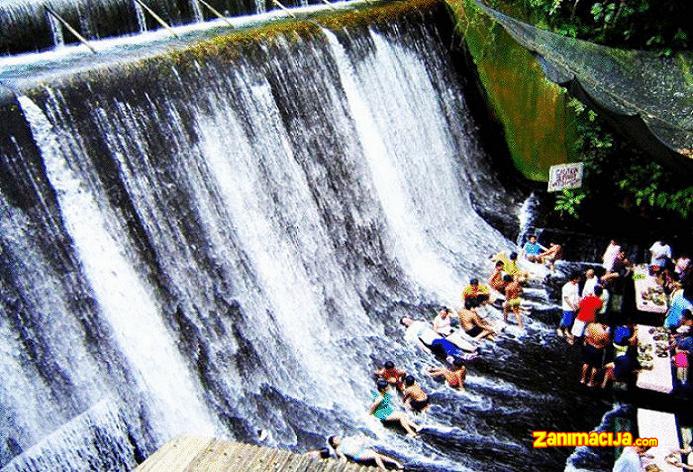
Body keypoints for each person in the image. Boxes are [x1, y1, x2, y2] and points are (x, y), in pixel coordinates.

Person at [400, 317, 477, 360]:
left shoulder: (418, 322)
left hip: (436, 337)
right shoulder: (410, 331)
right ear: (405, 324)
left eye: (407, 319)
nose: (408, 321)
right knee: (443, 342)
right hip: (431, 341)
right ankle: (461, 355)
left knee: (449, 340)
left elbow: (432, 328)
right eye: (406, 322)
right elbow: (417, 341)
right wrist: (426, 349)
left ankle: (466, 351)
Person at [328, 435, 404, 471]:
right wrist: (342, 463)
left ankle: (396, 463)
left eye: (337, 437)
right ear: (334, 444)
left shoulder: (346, 440)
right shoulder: (338, 449)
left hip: (363, 450)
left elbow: (356, 443)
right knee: (376, 456)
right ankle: (384, 469)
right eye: (335, 440)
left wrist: (361, 439)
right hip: (358, 455)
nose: (338, 439)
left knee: (379, 455)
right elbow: (343, 458)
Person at [580, 314, 610, 387]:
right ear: (605, 324)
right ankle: (591, 382)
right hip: (597, 349)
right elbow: (607, 343)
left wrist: (587, 341)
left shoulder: (591, 325)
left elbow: (586, 335)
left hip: (588, 346)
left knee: (586, 363)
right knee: (595, 366)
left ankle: (583, 379)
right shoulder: (604, 333)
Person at [558, 272, 581, 342]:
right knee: (568, 321)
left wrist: (579, 302)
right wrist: (572, 307)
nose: (580, 279)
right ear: (574, 279)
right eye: (578, 278)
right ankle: (565, 330)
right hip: (568, 307)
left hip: (575, 305)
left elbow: (577, 295)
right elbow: (566, 298)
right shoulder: (566, 287)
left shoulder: (577, 285)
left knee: (569, 319)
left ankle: (562, 329)